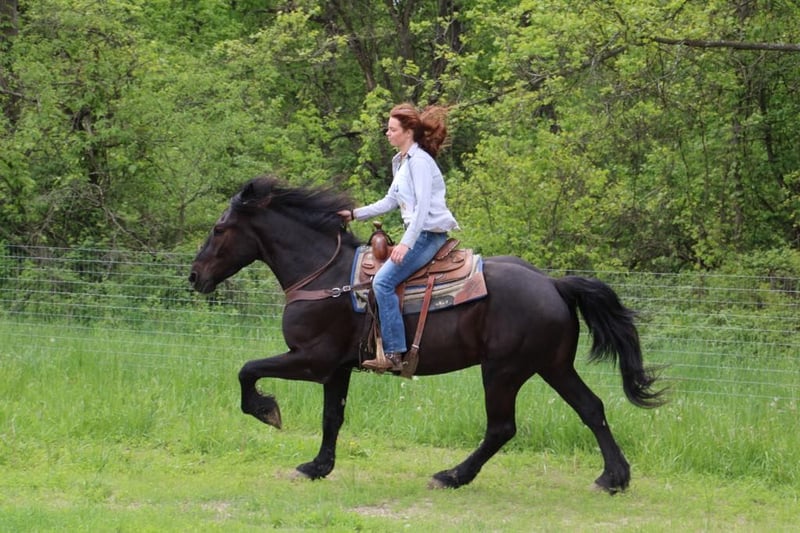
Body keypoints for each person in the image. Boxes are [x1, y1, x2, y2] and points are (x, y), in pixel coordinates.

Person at [338, 103, 460, 372]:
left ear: (408, 132)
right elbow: (390, 201)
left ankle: (394, 354)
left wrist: (406, 243)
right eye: (388, 129)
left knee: (382, 282)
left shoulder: (420, 162)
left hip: (427, 236)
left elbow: (422, 209)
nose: (387, 133)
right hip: (417, 233)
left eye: (392, 129)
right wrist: (354, 214)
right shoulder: (402, 162)